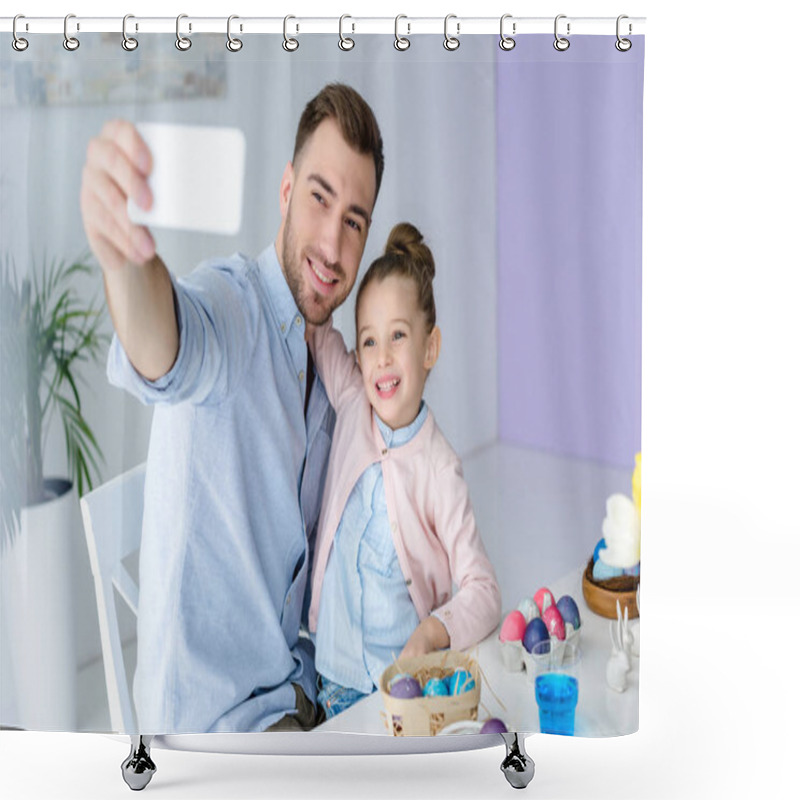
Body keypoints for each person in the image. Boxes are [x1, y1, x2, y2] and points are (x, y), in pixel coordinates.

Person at [79, 84, 384, 733]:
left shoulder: (327, 366)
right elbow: (168, 345)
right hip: (220, 732)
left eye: (353, 220)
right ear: (285, 190)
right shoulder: (237, 309)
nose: (332, 246)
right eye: (319, 198)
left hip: (300, 690)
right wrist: (125, 257)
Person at [307, 223, 501, 719]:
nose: (382, 357)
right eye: (369, 341)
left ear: (429, 348)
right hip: (322, 675)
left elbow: (483, 590)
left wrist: (432, 632)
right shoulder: (353, 403)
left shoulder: (439, 468)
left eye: (398, 335)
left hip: (394, 696)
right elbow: (316, 326)